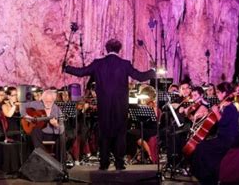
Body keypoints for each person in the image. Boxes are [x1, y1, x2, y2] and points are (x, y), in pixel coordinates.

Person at [63, 38, 155, 170]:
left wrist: (67, 68)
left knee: (104, 133)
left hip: (104, 105)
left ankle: (104, 163)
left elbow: (82, 72)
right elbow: (140, 76)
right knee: (120, 133)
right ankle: (119, 163)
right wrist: (152, 71)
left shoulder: (98, 63)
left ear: (107, 49)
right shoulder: (125, 64)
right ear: (119, 49)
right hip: (120, 105)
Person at [191, 82, 239, 184]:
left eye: (218, 92)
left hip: (229, 140)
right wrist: (207, 113)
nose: (216, 94)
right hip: (224, 137)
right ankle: (206, 176)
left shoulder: (231, 107)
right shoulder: (224, 106)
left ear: (224, 93)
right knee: (201, 146)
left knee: (202, 148)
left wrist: (216, 112)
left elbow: (223, 123)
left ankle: (209, 177)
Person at [21, 89, 66, 163]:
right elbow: (22, 106)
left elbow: (62, 129)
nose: (48, 103)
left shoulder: (57, 110)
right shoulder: (36, 104)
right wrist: (27, 117)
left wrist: (56, 125)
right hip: (40, 134)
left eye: (50, 102)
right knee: (34, 130)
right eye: (46, 101)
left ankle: (60, 163)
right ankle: (45, 158)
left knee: (62, 135)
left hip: (52, 134)